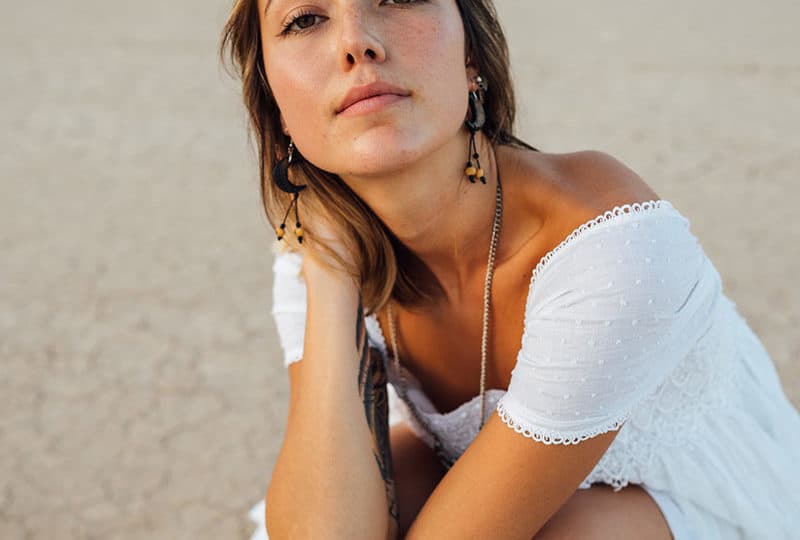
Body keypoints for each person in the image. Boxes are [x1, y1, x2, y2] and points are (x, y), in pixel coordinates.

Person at [219, 1, 800, 538]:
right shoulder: (317, 248)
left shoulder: (608, 245)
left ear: (471, 54)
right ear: (276, 105)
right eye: (304, 19)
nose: (356, 43)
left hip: (707, 505)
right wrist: (330, 271)